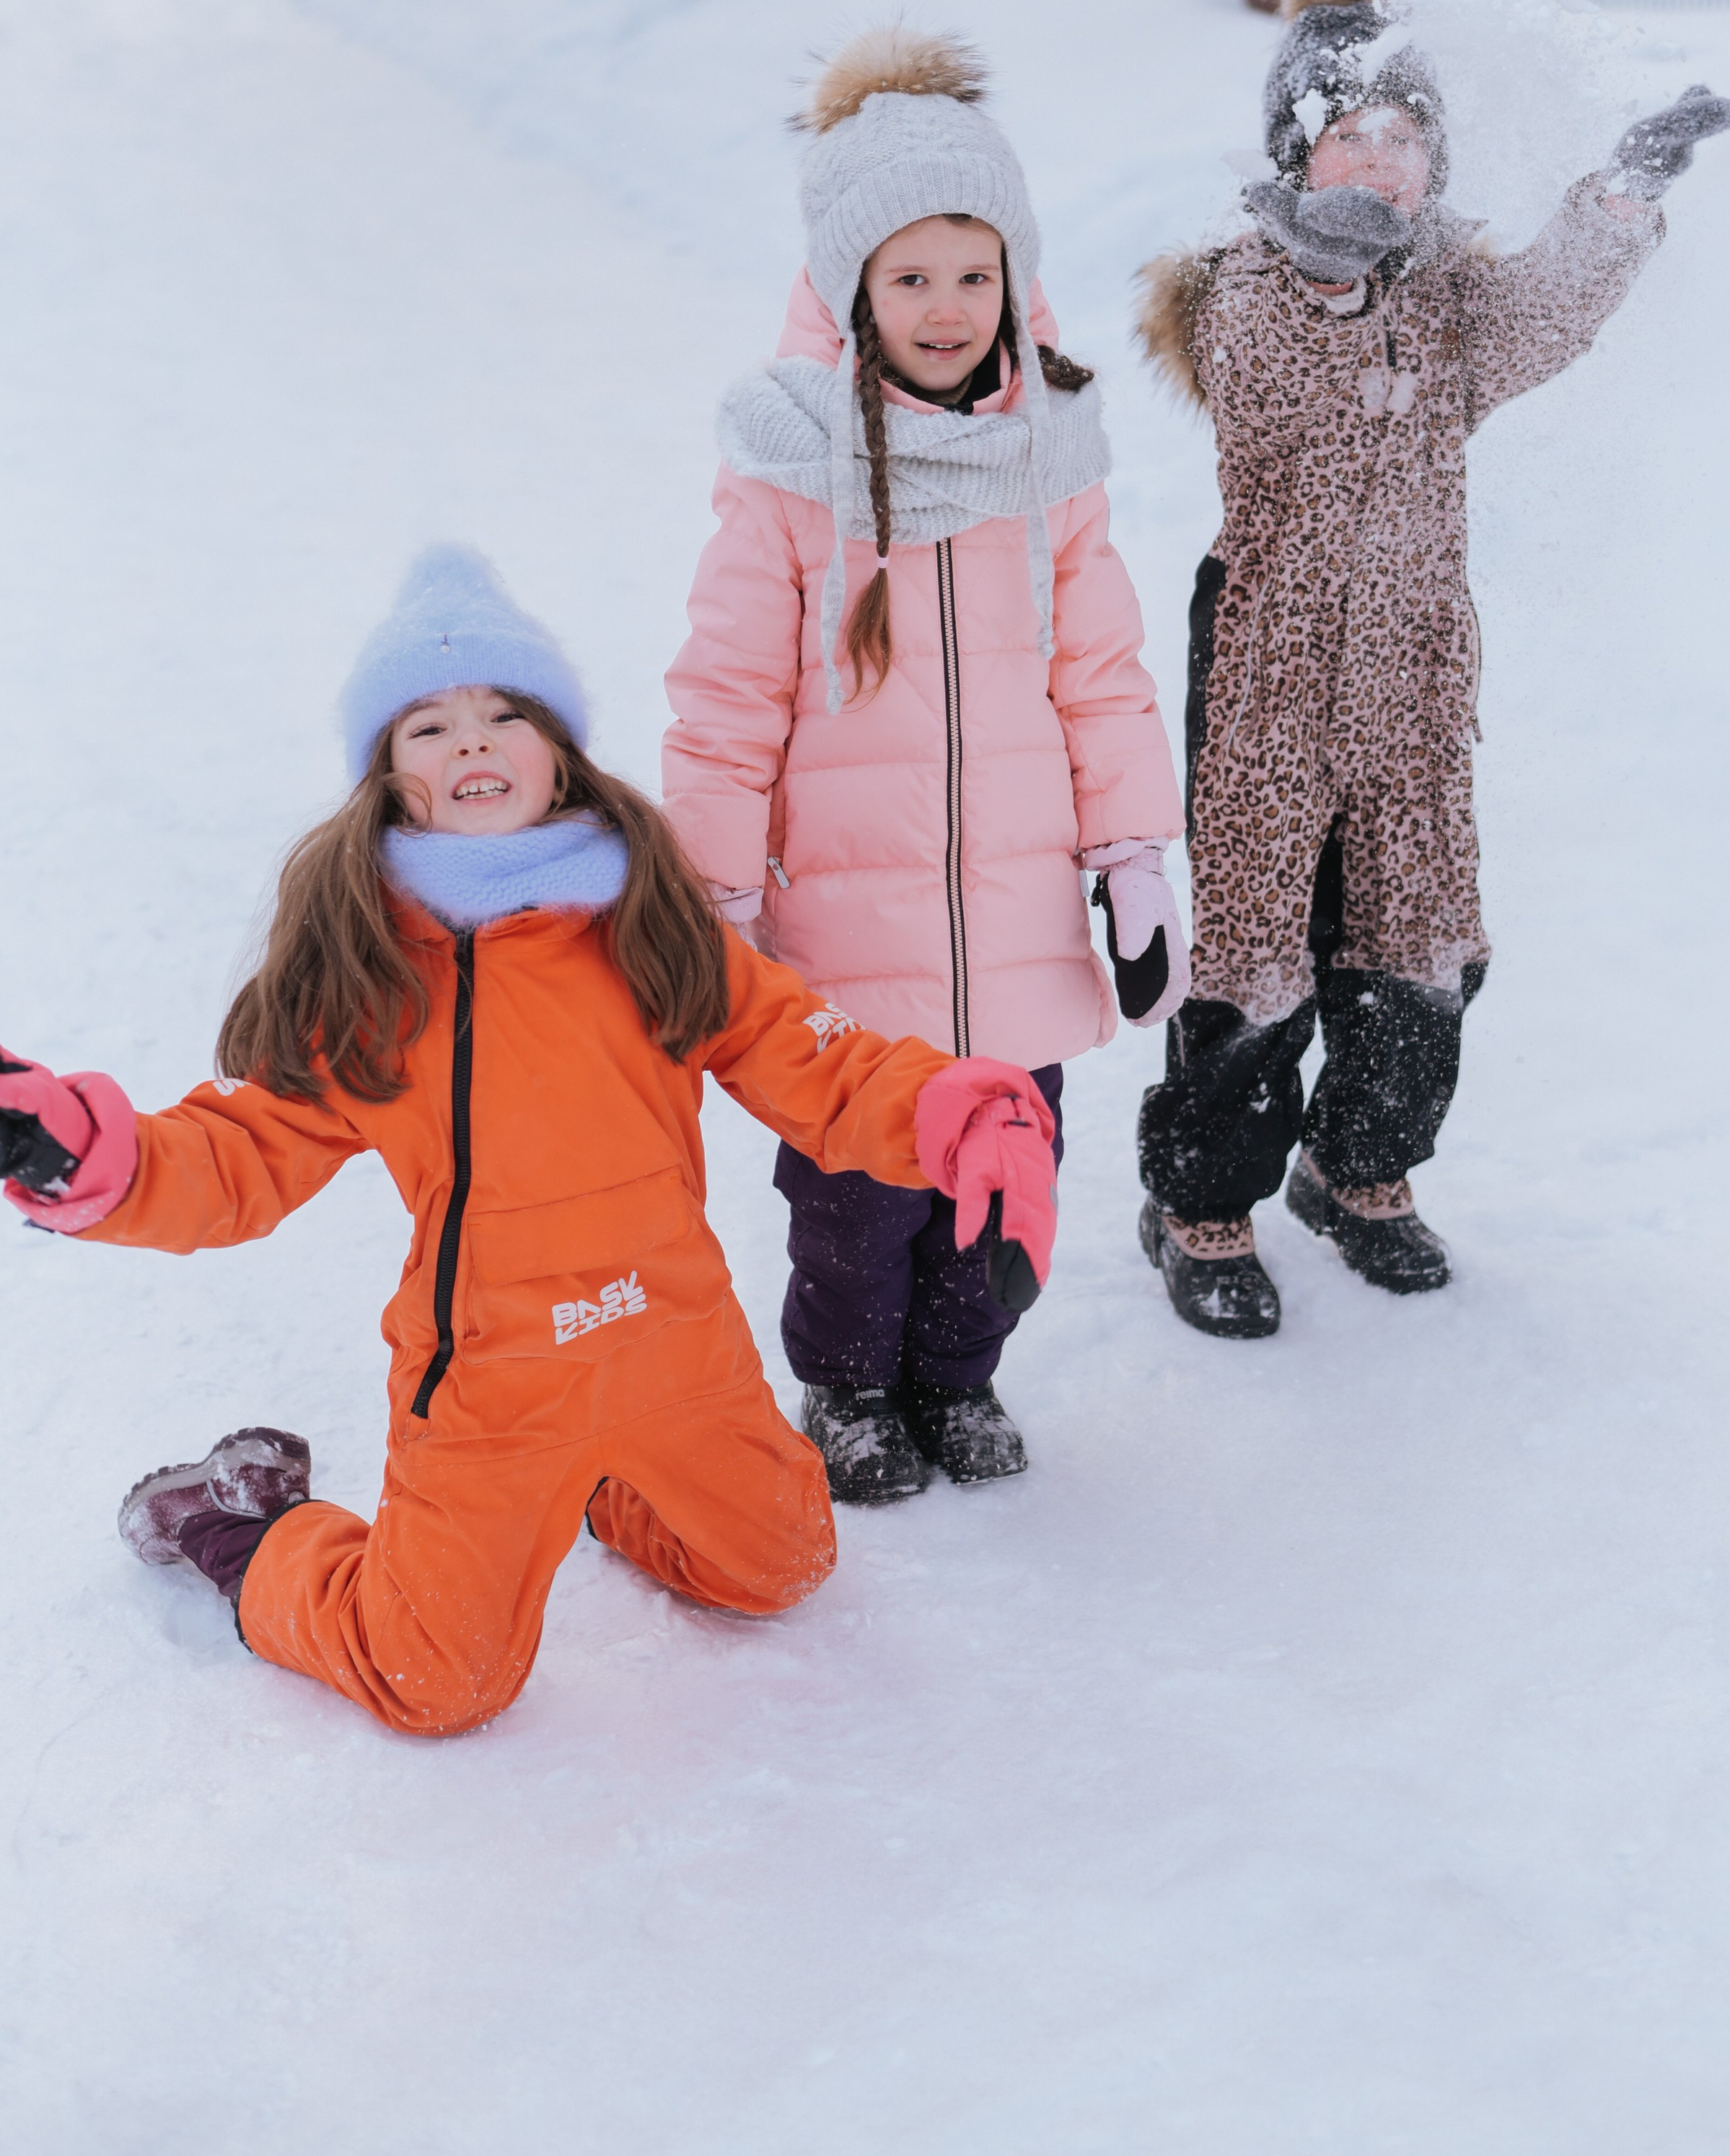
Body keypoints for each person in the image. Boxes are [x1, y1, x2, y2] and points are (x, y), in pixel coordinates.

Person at [0, 548, 1059, 1738]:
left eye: (506, 714)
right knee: (435, 1682)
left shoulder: (651, 928)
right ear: (390, 783)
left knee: (784, 1567)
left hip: (676, 1347)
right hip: (495, 1380)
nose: (473, 744)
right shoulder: (371, 980)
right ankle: (247, 1531)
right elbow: (239, 1153)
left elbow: (814, 1057)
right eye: (430, 729)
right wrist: (107, 1162)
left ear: (557, 756)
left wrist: (958, 1112)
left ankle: (605, 1489)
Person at [1133, 0, 1730, 1337]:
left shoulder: (1449, 295)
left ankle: (1357, 1169)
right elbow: (1278, 396)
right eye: (1352, 132)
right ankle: (1198, 1199)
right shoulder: (1243, 282)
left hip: (1411, 661)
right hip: (1271, 656)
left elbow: (1539, 315)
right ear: (1298, 145)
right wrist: (1332, 284)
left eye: (1407, 137)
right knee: (1252, 940)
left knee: (1417, 934)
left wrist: (1617, 196)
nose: (1382, 161)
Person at [662, 28, 1185, 1502]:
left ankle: (958, 1377)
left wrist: (1130, 856)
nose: (947, 308)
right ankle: (845, 1388)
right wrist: (708, 893)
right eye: (911, 277)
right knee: (852, 1202)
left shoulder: (1050, 458)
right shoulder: (786, 465)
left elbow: (1100, 672)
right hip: (842, 947)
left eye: (974, 273)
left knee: (1002, 1184)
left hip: (1014, 927)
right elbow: (725, 693)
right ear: (848, 291)